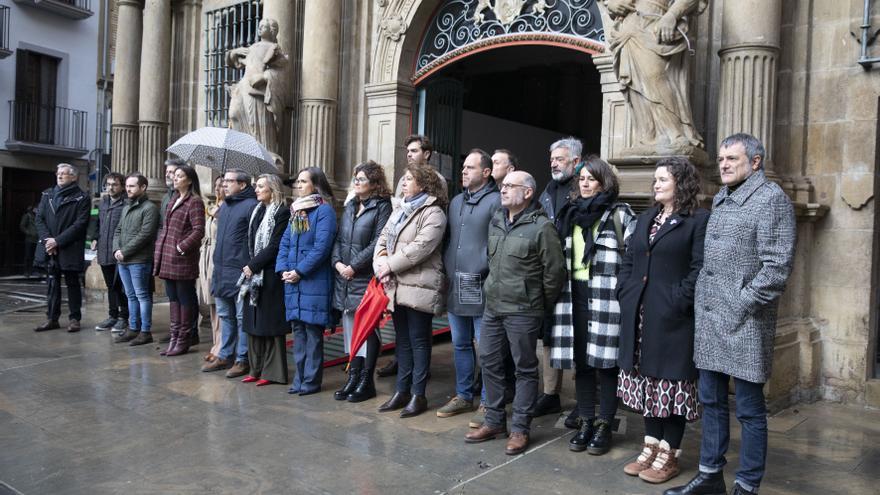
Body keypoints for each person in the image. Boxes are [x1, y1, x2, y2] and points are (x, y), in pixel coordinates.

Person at [665, 133, 796, 495]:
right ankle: (710, 476)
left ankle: (747, 485)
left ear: (755, 163)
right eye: (721, 158)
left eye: (731, 159)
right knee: (711, 401)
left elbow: (776, 269)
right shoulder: (724, 197)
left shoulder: (771, 200)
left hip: (746, 323)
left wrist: (740, 303)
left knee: (750, 410)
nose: (722, 164)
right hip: (711, 320)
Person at [616, 158, 708, 483]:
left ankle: (670, 453)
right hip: (640, 314)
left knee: (671, 384)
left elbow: (700, 269)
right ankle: (650, 446)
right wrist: (625, 292)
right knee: (647, 383)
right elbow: (629, 259)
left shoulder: (697, 221)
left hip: (673, 319)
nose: (655, 185)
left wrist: (677, 301)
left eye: (663, 179)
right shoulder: (644, 220)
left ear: (681, 183)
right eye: (654, 179)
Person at [465, 171, 565, 455]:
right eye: (503, 185)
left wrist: (536, 302)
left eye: (510, 186)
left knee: (524, 368)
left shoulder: (542, 227)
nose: (504, 190)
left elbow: (555, 272)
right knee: (489, 362)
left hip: (523, 310)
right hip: (494, 306)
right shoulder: (497, 220)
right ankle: (495, 421)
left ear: (528, 193)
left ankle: (520, 428)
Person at [551, 157, 636, 456]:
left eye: (591, 178)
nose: (585, 183)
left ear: (604, 182)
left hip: (607, 297)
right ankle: (586, 419)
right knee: (583, 365)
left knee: (607, 365)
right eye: (582, 179)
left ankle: (604, 424)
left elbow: (634, 260)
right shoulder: (570, 213)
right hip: (573, 294)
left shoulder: (620, 214)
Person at [374, 164, 448, 418]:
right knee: (402, 340)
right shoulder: (400, 209)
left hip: (419, 285)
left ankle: (418, 394)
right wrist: (379, 263)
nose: (403, 183)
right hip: (396, 285)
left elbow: (420, 248)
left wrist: (388, 266)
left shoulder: (434, 212)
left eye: (409, 179)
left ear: (424, 184)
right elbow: (383, 239)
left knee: (418, 341)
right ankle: (401, 390)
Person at [437, 149, 499, 419]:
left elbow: (497, 244)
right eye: (463, 167)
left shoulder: (496, 201)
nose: (463, 171)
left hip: (480, 284)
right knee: (460, 343)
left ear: (486, 172)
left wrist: (482, 267)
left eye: (470, 168)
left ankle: (488, 400)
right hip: (455, 283)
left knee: (485, 346)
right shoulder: (455, 201)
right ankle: (464, 395)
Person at [605, 0, 706, 155]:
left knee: (655, 76)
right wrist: (611, 3)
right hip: (629, 24)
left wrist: (672, 15)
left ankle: (675, 133)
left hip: (657, 21)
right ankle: (648, 137)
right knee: (635, 85)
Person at [331, 161, 393, 402]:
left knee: (367, 328)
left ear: (374, 183)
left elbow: (378, 241)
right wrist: (337, 263)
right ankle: (353, 377)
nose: (356, 182)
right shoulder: (350, 205)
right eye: (355, 178)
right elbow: (338, 238)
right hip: (344, 276)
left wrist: (354, 266)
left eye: (361, 179)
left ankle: (367, 381)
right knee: (349, 328)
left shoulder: (382, 206)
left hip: (364, 276)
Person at [277, 167, 337, 396]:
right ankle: (298, 380)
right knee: (298, 333)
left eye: (304, 182)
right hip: (293, 281)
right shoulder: (297, 212)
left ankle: (311, 381)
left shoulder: (324, 211)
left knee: (312, 334)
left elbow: (321, 248)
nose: (299, 186)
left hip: (313, 281)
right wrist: (284, 269)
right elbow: (285, 243)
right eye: (298, 182)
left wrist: (299, 271)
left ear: (316, 185)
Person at [535, 137, 582, 420]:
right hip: (549, 271)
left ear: (575, 161)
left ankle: (581, 400)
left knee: (575, 334)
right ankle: (550, 394)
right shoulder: (548, 189)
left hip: (576, 273)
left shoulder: (584, 187)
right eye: (552, 159)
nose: (553, 163)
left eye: (560, 159)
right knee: (549, 333)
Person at [201, 169, 258, 378]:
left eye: (229, 181)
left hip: (240, 269)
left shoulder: (251, 206)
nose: (224, 184)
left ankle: (242, 359)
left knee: (242, 317)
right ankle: (225, 355)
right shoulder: (225, 205)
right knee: (225, 315)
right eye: (223, 181)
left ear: (242, 184)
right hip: (221, 268)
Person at [239, 174, 292, 386]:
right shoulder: (256, 210)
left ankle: (272, 372)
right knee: (253, 323)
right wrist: (247, 264)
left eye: (261, 186)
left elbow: (275, 245)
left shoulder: (282, 212)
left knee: (269, 324)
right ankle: (255, 368)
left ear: (273, 189)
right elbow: (247, 240)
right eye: (256, 186)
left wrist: (253, 265)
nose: (256, 189)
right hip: (252, 275)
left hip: (269, 274)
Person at [150, 165, 205, 355]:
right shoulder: (173, 198)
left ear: (189, 180)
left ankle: (184, 339)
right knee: (173, 298)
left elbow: (198, 230)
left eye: (180, 176)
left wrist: (181, 247)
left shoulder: (195, 201)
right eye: (175, 175)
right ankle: (174, 338)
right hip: (167, 257)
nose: (175, 178)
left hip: (182, 259)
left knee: (184, 298)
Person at [33, 163, 90, 333]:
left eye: (64, 174)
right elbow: (39, 219)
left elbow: (80, 224)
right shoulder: (47, 194)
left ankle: (74, 319)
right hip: (50, 247)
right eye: (58, 173)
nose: (60, 176)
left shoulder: (81, 197)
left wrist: (57, 241)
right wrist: (47, 241)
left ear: (73, 177)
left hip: (69, 247)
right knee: (52, 283)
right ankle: (52, 318)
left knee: (73, 283)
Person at [112, 174, 160, 346]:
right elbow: (118, 230)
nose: (128, 189)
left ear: (143, 187)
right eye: (127, 186)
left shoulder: (149, 208)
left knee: (142, 296)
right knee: (130, 295)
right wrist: (117, 249)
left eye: (132, 186)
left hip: (139, 260)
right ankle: (133, 328)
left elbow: (146, 235)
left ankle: (145, 331)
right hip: (123, 259)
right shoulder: (126, 207)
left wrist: (124, 251)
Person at [90, 173, 129, 332]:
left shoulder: (126, 203)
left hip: (119, 252)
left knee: (120, 286)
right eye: (108, 184)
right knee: (110, 286)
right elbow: (96, 223)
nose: (111, 187)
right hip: (103, 251)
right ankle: (112, 315)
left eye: (115, 184)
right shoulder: (103, 203)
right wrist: (93, 238)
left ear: (122, 186)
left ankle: (123, 317)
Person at [200, 176, 225, 363]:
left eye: (222, 185)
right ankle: (216, 343)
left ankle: (221, 346)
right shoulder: (213, 205)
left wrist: (220, 215)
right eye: (216, 185)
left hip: (217, 256)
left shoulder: (227, 208)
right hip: (206, 254)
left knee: (219, 303)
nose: (218, 189)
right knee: (210, 303)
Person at [19, 205, 38, 278]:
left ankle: (34, 270)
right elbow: (22, 226)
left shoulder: (38, 216)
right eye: (36, 208)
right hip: (29, 239)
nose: (36, 210)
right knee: (28, 256)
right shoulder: (27, 216)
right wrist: (29, 232)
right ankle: (26, 271)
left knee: (35, 256)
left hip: (37, 240)